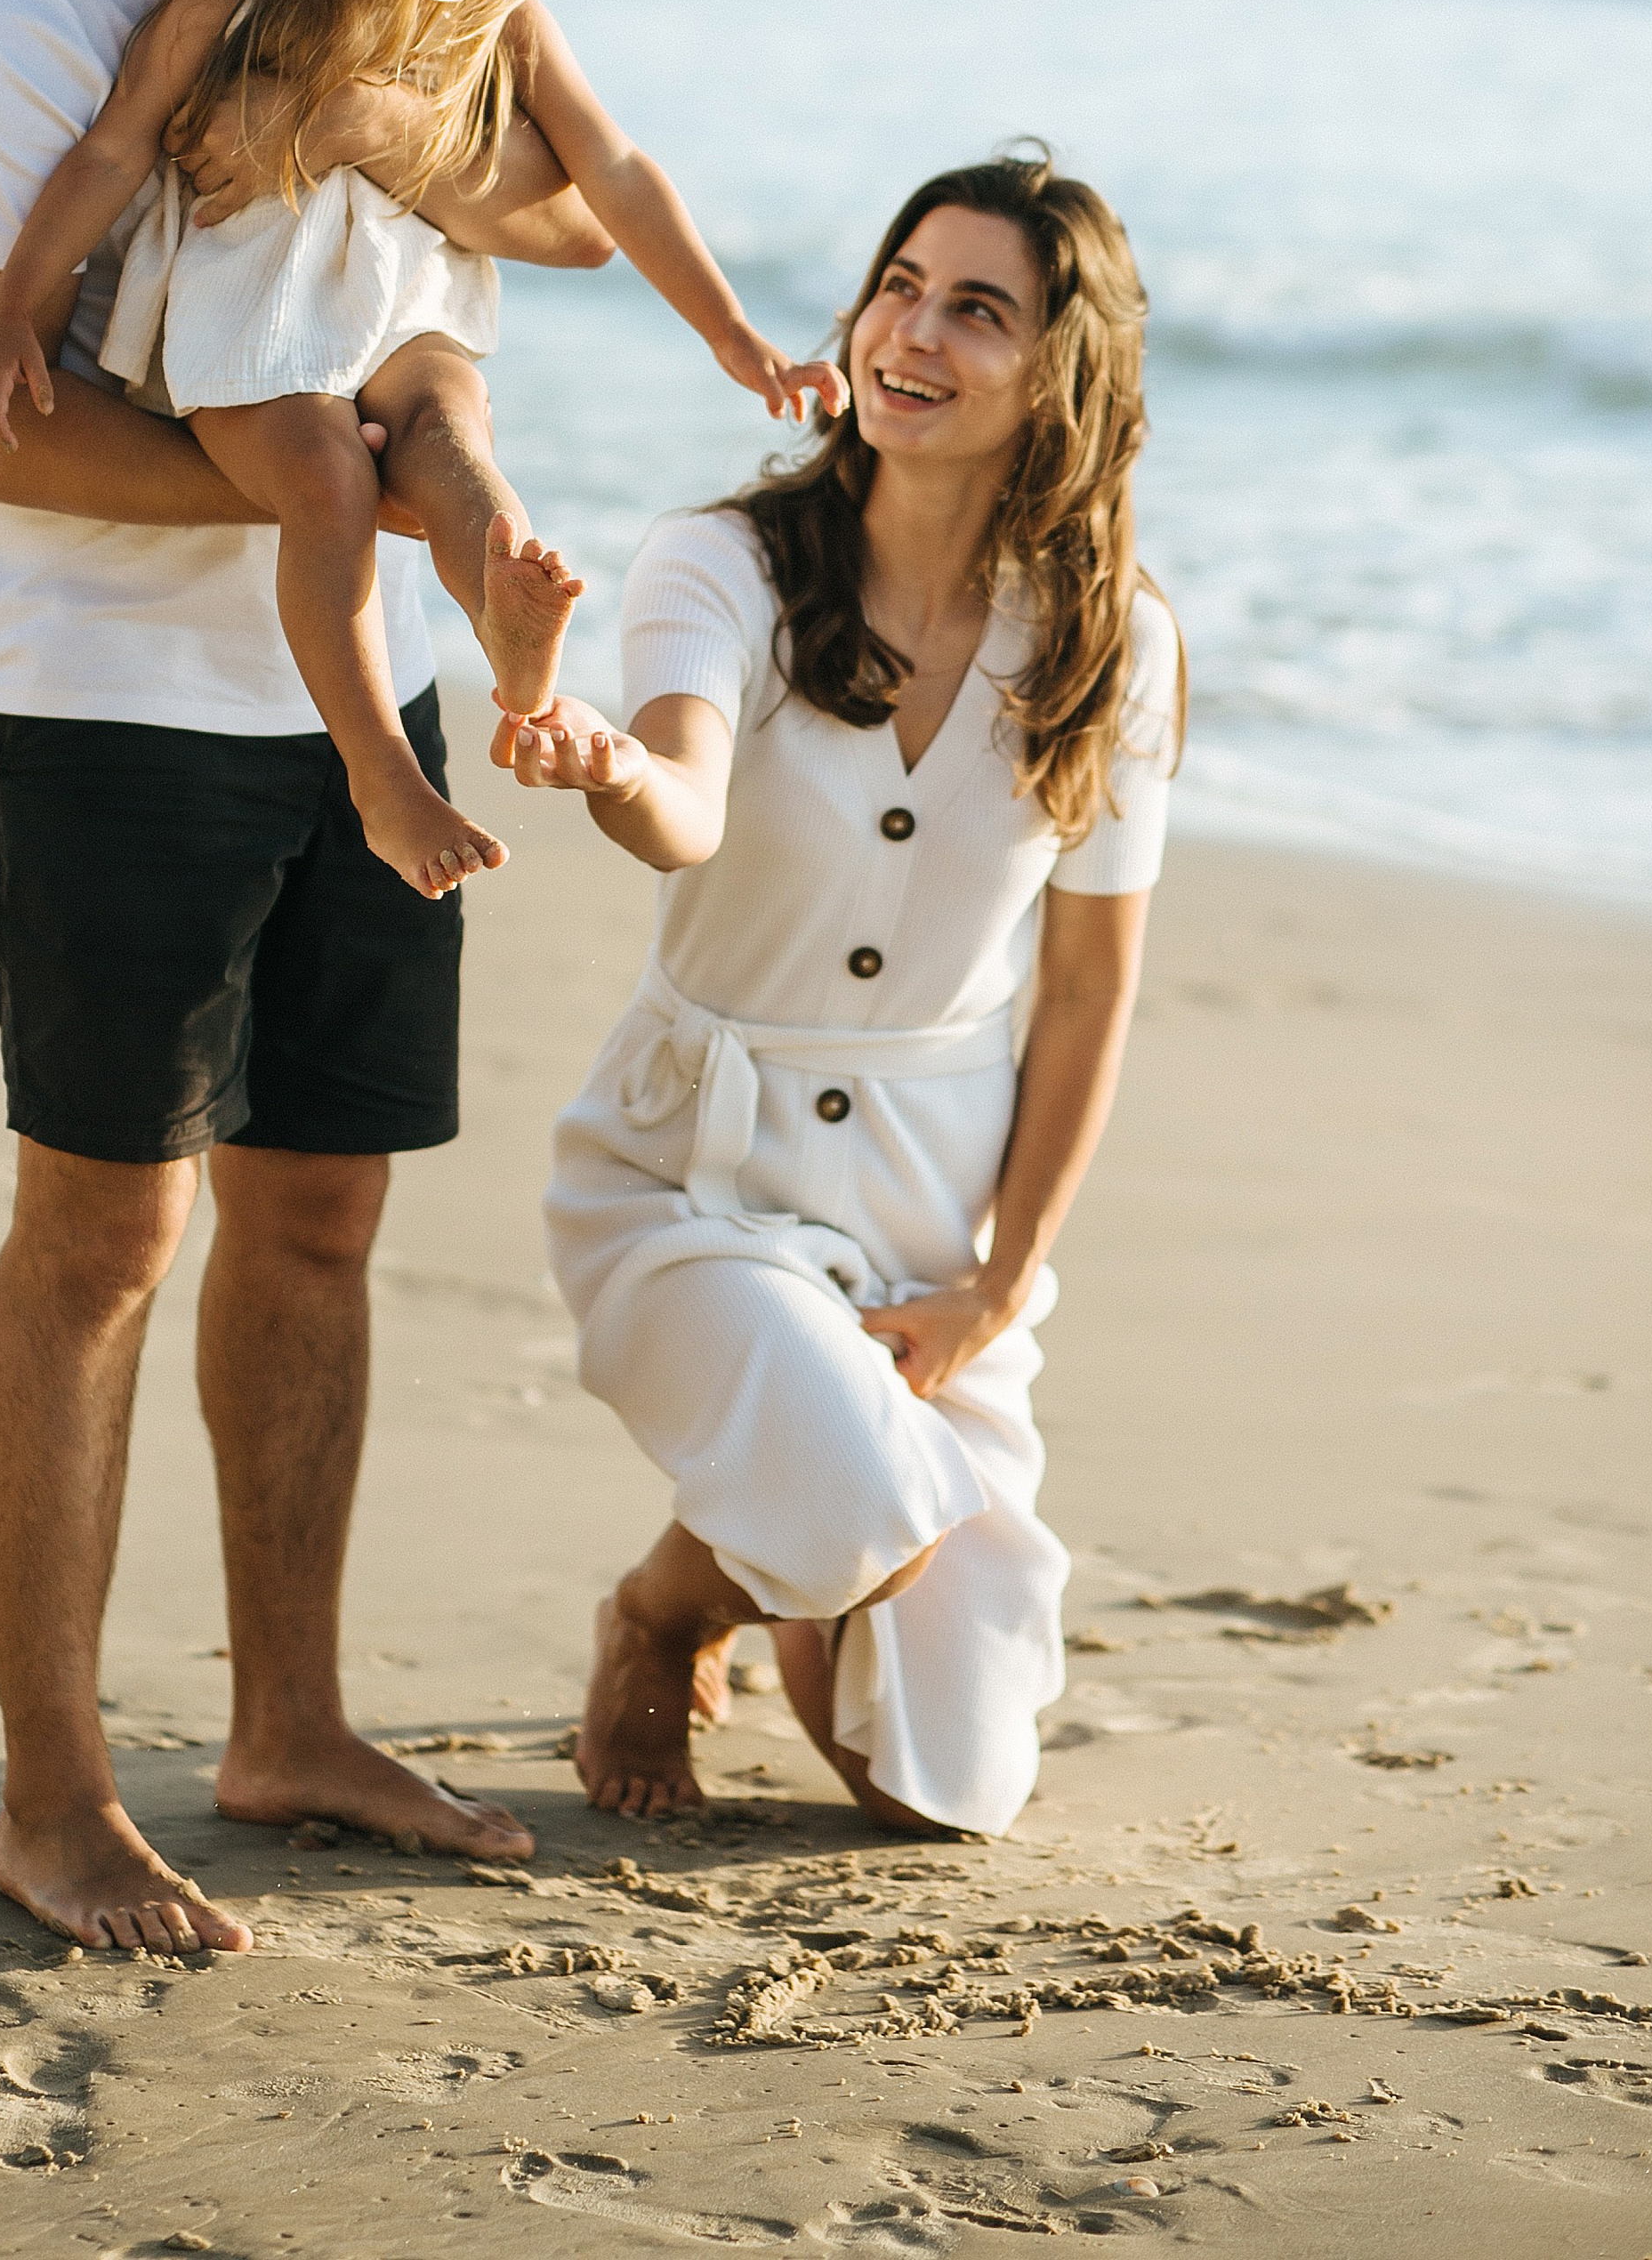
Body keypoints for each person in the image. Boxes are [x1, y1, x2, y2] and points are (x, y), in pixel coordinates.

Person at [0, 0, 616, 1955]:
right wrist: (335, 480)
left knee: (322, 1209)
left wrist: (390, 159)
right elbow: (2, 441)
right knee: (107, 1239)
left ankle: (285, 1722)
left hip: (356, 684)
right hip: (106, 711)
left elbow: (566, 208)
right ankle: (56, 1798)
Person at [497, 152, 1183, 1836]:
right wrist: (600, 764)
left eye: (977, 310)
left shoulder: (1112, 644)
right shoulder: (720, 563)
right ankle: (666, 1608)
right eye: (899, 286)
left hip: (925, 1218)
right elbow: (685, 803)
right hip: (692, 1185)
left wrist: (999, 1286)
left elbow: (1088, 995)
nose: (912, 334)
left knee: (941, 1792)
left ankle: (731, 1571)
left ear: (1062, 371)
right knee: (865, 1503)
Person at [0, 0, 842, 901]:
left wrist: (733, 332)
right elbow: (111, 156)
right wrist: (16, 306)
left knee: (451, 440)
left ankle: (518, 649)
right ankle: (384, 776)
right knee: (325, 482)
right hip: (254, 331)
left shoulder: (503, 24)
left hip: (409, 312)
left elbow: (615, 177)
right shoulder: (231, 4)